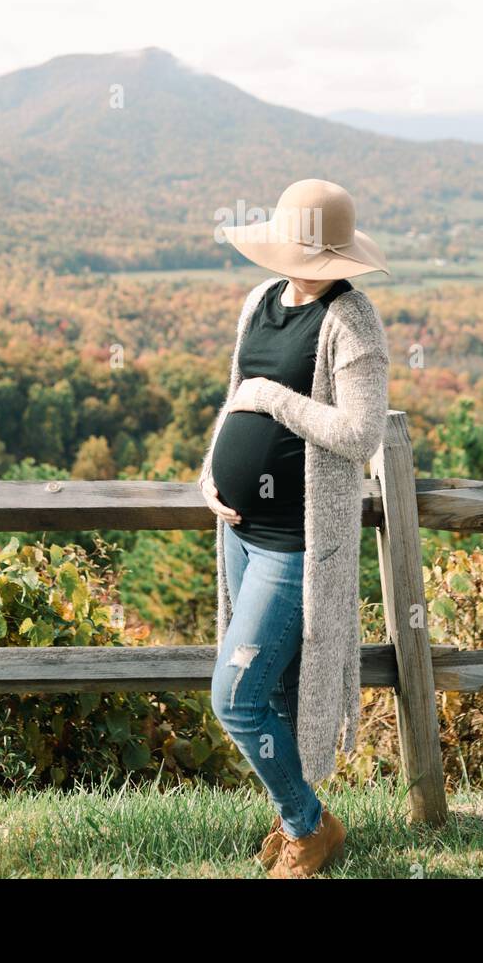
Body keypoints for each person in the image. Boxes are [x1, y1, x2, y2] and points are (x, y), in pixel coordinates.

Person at [198, 177, 391, 878]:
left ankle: (309, 826)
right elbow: (234, 401)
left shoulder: (353, 320)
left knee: (236, 695)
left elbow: (361, 431)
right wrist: (210, 474)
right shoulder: (260, 301)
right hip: (241, 529)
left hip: (298, 542)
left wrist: (276, 399)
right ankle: (299, 817)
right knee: (272, 691)